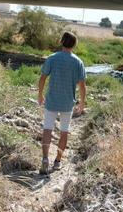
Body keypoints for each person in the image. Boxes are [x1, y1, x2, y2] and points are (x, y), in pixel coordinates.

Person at [37, 31, 87, 174]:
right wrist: (82, 103)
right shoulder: (78, 62)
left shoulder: (52, 58)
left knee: (47, 129)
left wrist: (40, 94)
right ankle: (57, 161)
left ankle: (45, 159)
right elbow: (82, 85)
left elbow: (42, 78)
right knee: (64, 132)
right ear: (74, 44)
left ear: (61, 42)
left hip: (51, 100)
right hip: (67, 103)